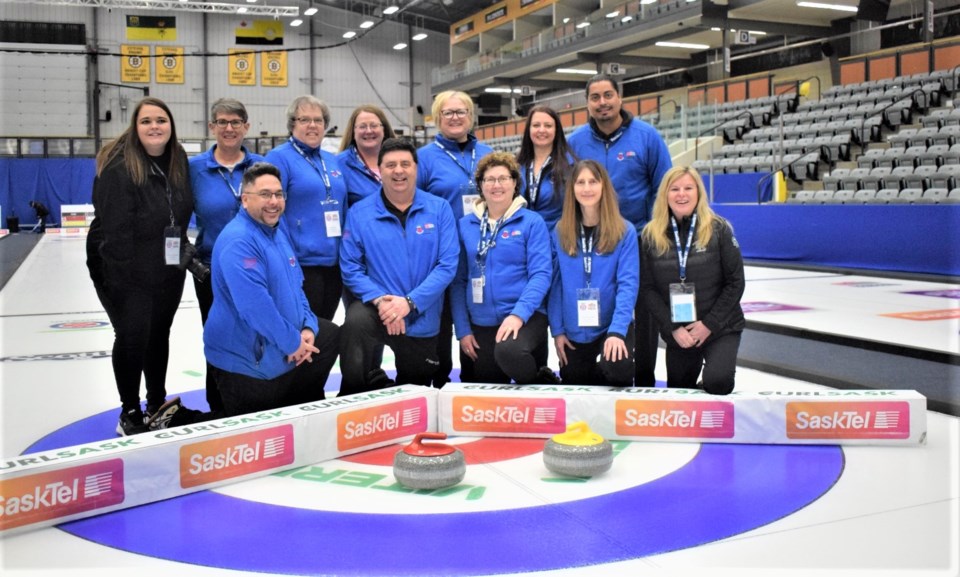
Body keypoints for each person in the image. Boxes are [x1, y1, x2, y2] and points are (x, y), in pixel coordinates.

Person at [86, 97, 199, 435]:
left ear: (171, 127)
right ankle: (130, 412)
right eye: (146, 121)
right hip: (121, 265)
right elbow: (114, 234)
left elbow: (176, 218)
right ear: (136, 128)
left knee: (159, 333)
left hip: (165, 262)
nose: (154, 127)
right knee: (134, 334)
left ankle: (157, 403)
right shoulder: (121, 168)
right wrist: (123, 283)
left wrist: (179, 256)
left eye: (161, 120)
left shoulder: (178, 162)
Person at [203, 162, 340, 416]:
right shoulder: (240, 241)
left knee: (328, 335)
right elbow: (256, 308)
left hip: (279, 348)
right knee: (249, 440)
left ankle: (300, 404)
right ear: (245, 199)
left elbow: (297, 286)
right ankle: (175, 418)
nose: (274, 202)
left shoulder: (275, 231)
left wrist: (308, 326)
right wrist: (293, 343)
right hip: (248, 362)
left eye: (278, 194)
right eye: (265, 195)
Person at [568, 74, 673, 387]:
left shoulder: (646, 136)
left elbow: (662, 187)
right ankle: (599, 367)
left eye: (608, 95)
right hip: (589, 240)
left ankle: (642, 377)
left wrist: (654, 233)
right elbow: (566, 187)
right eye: (595, 97)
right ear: (588, 103)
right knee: (596, 302)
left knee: (642, 308)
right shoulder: (576, 142)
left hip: (637, 239)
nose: (602, 103)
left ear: (620, 97)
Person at [339, 138, 459, 395]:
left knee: (414, 391)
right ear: (380, 170)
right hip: (379, 311)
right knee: (355, 320)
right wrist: (382, 302)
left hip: (421, 314)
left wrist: (409, 302)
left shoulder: (439, 209)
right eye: (391, 164)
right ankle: (351, 396)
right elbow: (350, 267)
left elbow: (447, 265)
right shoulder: (360, 213)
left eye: (405, 164)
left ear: (416, 168)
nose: (398, 170)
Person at [451, 152, 556, 385]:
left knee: (510, 353)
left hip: (526, 317)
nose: (496, 185)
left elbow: (541, 275)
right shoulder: (464, 226)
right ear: (480, 185)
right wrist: (462, 329)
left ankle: (542, 382)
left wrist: (518, 315)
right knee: (485, 391)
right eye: (489, 179)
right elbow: (458, 280)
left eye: (503, 178)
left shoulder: (531, 222)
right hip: (480, 320)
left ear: (515, 183)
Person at [189, 98, 265, 415]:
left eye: (236, 122)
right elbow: (173, 217)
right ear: (212, 128)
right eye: (222, 122)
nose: (229, 128)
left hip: (257, 270)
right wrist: (190, 262)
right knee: (218, 336)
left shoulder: (262, 167)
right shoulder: (195, 170)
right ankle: (218, 406)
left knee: (256, 335)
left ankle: (256, 399)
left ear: (246, 126)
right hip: (212, 272)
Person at [640, 166, 745, 395]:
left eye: (688, 188)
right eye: (674, 189)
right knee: (679, 391)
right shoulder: (650, 235)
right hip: (680, 330)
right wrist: (673, 329)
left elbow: (736, 282)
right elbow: (647, 289)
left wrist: (708, 325)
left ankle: (714, 374)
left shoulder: (719, 229)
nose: (681, 194)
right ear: (665, 195)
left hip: (720, 327)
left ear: (698, 192)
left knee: (718, 382)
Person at [417, 91, 494, 387]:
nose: (455, 117)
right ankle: (436, 387)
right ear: (437, 118)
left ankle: (474, 391)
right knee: (439, 328)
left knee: (474, 328)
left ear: (470, 116)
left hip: (481, 257)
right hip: (439, 259)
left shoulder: (487, 154)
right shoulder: (424, 159)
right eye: (448, 112)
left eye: (461, 111)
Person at [549, 160, 638, 386]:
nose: (586, 188)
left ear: (603, 186)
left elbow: (628, 285)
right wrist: (558, 331)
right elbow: (556, 285)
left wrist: (617, 331)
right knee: (575, 381)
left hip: (610, 324)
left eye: (593, 182)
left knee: (618, 368)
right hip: (574, 329)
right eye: (580, 182)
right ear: (572, 189)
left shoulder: (624, 231)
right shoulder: (560, 231)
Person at [265, 95, 348, 321]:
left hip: (333, 264)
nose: (312, 125)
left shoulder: (332, 161)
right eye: (304, 119)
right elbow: (271, 212)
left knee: (325, 332)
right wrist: (287, 258)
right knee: (304, 332)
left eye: (318, 120)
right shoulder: (279, 158)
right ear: (292, 124)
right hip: (301, 266)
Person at [515, 105, 576, 231]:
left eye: (548, 126)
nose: (541, 130)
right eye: (536, 125)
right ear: (529, 130)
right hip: (523, 241)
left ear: (556, 130)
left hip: (557, 241)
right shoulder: (516, 166)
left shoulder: (570, 166)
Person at [337, 105, 397, 207]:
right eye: (362, 126)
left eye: (374, 126)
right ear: (353, 131)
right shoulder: (339, 165)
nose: (369, 131)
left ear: (384, 129)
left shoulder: (402, 161)